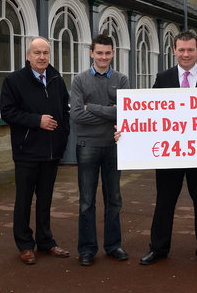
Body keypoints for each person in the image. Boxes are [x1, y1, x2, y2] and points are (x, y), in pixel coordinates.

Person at [139, 30, 197, 270]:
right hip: (170, 154)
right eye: (181, 49)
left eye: (190, 49)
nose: (186, 54)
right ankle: (158, 248)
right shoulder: (162, 78)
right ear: (174, 51)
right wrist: (128, 131)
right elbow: (149, 115)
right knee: (164, 202)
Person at [0, 37, 70, 265]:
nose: (42, 57)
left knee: (46, 200)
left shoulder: (57, 78)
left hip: (51, 153)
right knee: (23, 201)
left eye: (46, 52)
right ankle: (25, 245)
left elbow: (65, 110)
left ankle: (46, 241)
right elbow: (7, 112)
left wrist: (63, 134)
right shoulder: (14, 80)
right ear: (28, 56)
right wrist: (36, 120)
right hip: (27, 152)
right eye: (37, 53)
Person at [70, 34, 130, 266]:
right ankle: (87, 249)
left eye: (107, 53)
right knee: (86, 200)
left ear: (113, 53)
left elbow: (125, 112)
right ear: (91, 53)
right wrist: (109, 112)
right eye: (99, 53)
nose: (103, 57)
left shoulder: (122, 79)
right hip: (87, 146)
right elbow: (76, 115)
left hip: (115, 146)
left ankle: (113, 245)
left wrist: (92, 108)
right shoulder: (79, 80)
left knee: (114, 199)